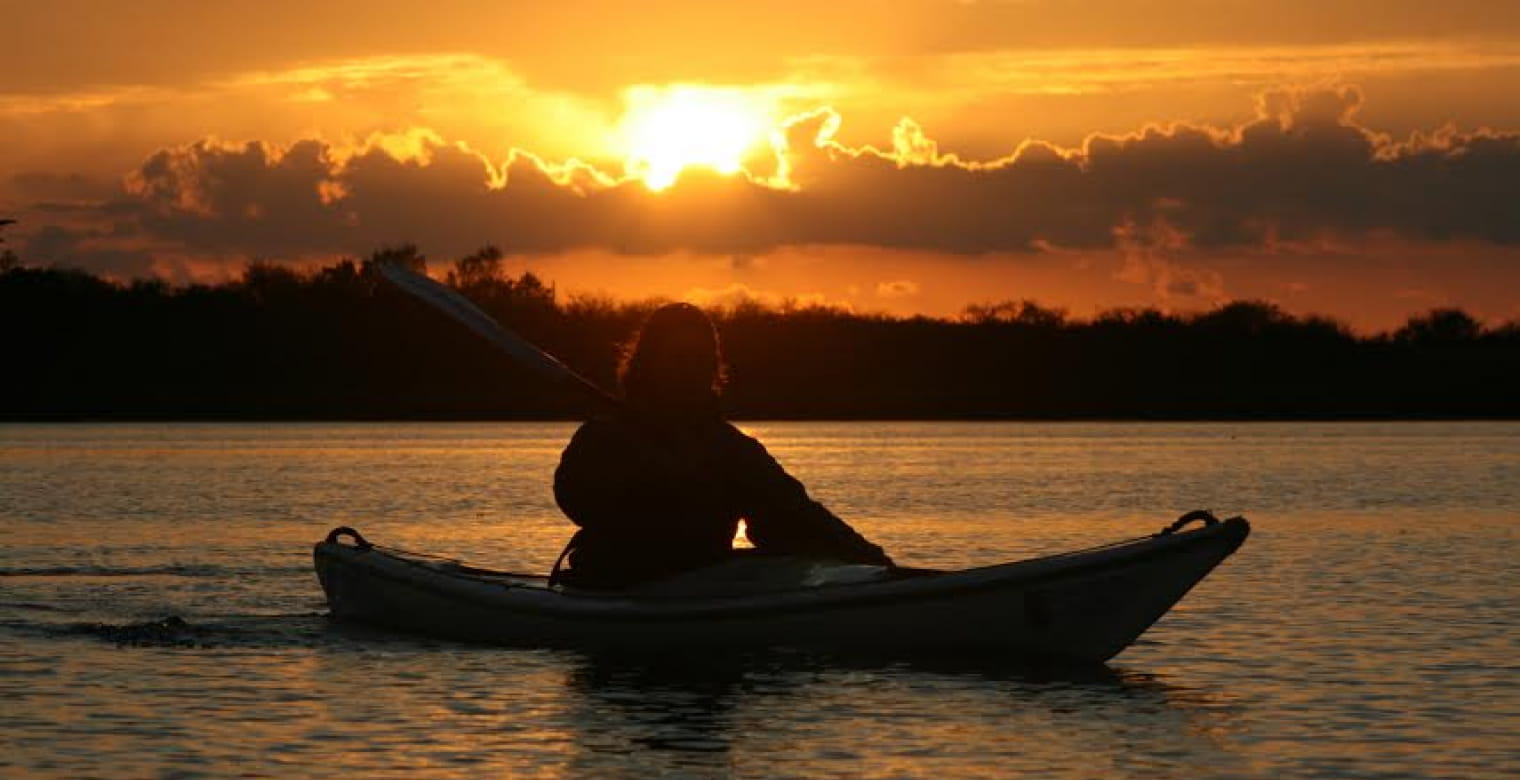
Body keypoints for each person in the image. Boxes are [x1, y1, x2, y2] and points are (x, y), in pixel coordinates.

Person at [553, 303, 892, 588]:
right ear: (650, 365)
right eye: (679, 360)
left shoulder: (730, 448)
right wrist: (648, 471)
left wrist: (876, 563)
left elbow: (794, 514)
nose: (692, 373)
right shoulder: (606, 436)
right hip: (618, 586)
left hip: (700, 585)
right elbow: (575, 497)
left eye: (702, 361)